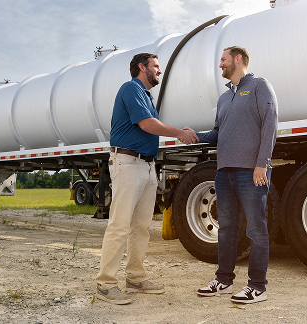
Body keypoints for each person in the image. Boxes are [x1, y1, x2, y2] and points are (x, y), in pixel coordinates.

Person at [95, 52, 198, 305]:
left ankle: (135, 278)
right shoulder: (131, 88)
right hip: (127, 163)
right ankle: (106, 283)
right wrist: (178, 133)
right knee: (120, 225)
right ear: (142, 67)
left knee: (141, 227)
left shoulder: (146, 95)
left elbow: (149, 126)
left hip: (145, 165)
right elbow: (145, 124)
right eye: (156, 67)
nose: (159, 71)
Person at [194, 46, 278, 304]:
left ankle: (257, 287)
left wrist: (262, 164)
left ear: (238, 59)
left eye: (223, 59)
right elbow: (217, 133)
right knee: (226, 229)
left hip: (250, 172)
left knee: (255, 229)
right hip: (224, 174)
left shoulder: (259, 86)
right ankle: (223, 279)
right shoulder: (223, 98)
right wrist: (195, 135)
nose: (220, 65)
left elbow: (271, 122)